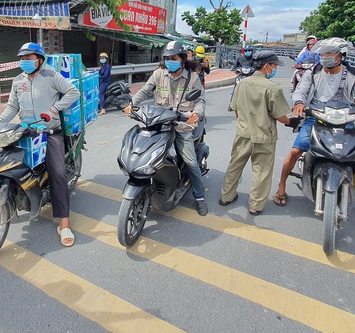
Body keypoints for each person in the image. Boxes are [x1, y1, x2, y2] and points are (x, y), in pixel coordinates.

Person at [273, 37, 355, 224]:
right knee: (296, 151)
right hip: (317, 117)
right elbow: (300, 91)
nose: (324, 57)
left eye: (329, 53)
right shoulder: (313, 72)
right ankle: (281, 186)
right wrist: (298, 103)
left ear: (341, 55)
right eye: (322, 53)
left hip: (346, 118)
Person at [0, 42, 80, 246]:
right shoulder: (18, 81)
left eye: (28, 58)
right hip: (26, 131)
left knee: (58, 173)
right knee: (4, 163)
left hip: (49, 132)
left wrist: (54, 110)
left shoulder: (52, 76)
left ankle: (64, 223)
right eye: (22, 59)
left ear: (39, 60)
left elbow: (73, 92)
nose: (24, 62)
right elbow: (12, 106)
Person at [123, 41, 209, 216]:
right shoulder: (158, 74)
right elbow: (145, 91)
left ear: (182, 59)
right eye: (167, 58)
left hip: (181, 126)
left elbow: (200, 100)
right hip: (158, 124)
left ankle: (199, 197)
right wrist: (132, 104)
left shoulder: (192, 78)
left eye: (174, 58)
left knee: (191, 163)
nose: (170, 61)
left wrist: (197, 114)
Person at [220, 51, 297, 215]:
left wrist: (243, 124)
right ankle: (255, 206)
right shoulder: (272, 88)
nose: (275, 68)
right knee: (261, 172)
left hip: (243, 133)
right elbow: (281, 116)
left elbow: (236, 109)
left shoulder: (242, 84)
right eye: (274, 65)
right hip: (264, 136)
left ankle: (226, 196)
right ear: (267, 66)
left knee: (235, 166)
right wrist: (291, 122)